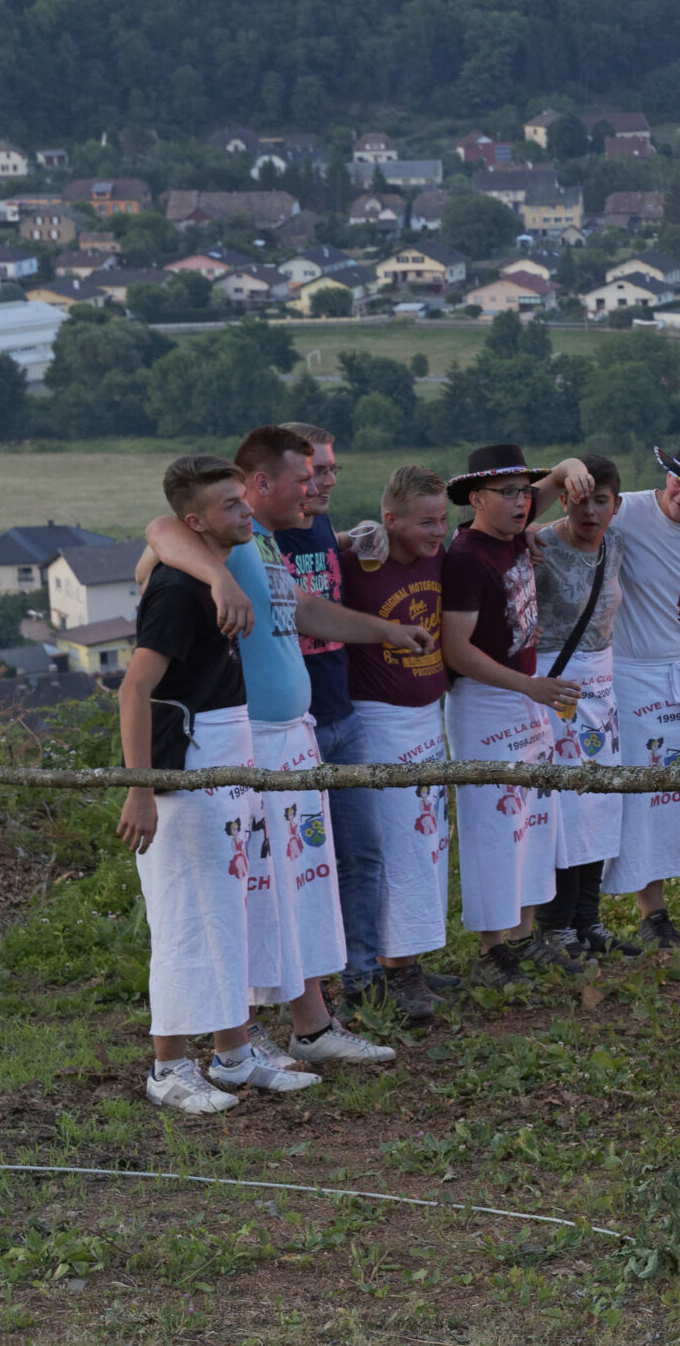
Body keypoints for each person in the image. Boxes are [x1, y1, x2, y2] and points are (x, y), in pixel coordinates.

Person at [139, 425, 422, 1072]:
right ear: (257, 483)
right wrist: (219, 576)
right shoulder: (211, 540)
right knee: (255, 889)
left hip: (293, 737)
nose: (318, 486)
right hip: (246, 742)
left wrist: (385, 632)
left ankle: (311, 1024)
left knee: (300, 885)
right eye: (305, 475)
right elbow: (158, 531)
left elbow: (306, 610)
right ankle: (235, 1039)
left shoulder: (261, 541)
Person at [116, 455, 314, 1111]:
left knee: (227, 911)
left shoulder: (217, 572)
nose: (247, 512)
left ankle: (232, 1052)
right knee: (185, 915)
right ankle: (168, 1064)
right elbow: (135, 688)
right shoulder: (177, 588)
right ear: (195, 519)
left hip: (229, 759)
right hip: (186, 770)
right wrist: (141, 787)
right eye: (232, 506)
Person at [538, 437, 680, 950]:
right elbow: (553, 528)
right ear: (665, 477)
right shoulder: (623, 510)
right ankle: (652, 914)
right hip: (628, 670)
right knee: (642, 794)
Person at [439, 444, 582, 987]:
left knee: (533, 820)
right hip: (488, 700)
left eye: (526, 492)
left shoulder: (509, 533)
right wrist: (530, 685)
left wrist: (569, 469)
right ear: (476, 498)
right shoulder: (468, 558)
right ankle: (491, 947)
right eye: (508, 494)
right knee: (495, 826)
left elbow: (554, 483)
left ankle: (523, 938)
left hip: (524, 694)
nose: (523, 503)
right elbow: (457, 649)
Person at [335, 465, 458, 1022]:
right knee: (397, 846)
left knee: (430, 839)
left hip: (428, 717)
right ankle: (392, 969)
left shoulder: (436, 556)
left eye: (443, 519)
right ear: (390, 519)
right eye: (427, 522)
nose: (439, 531)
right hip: (379, 719)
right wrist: (344, 539)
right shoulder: (360, 559)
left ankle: (412, 955)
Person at [274, 423, 386, 999]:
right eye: (317, 471)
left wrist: (345, 541)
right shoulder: (258, 536)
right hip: (292, 724)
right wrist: (388, 631)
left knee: (362, 852)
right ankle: (299, 986)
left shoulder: (313, 521)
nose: (328, 480)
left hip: (342, 707)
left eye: (332, 468)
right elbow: (307, 608)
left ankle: (362, 975)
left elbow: (317, 565)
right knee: (305, 864)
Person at [530, 452, 637, 960]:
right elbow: (503, 523)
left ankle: (588, 919)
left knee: (599, 801)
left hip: (602, 686)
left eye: (601, 501)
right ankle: (554, 925)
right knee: (564, 806)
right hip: (555, 686)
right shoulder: (541, 544)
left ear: (616, 505)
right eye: (581, 499)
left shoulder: (614, 543)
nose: (590, 511)